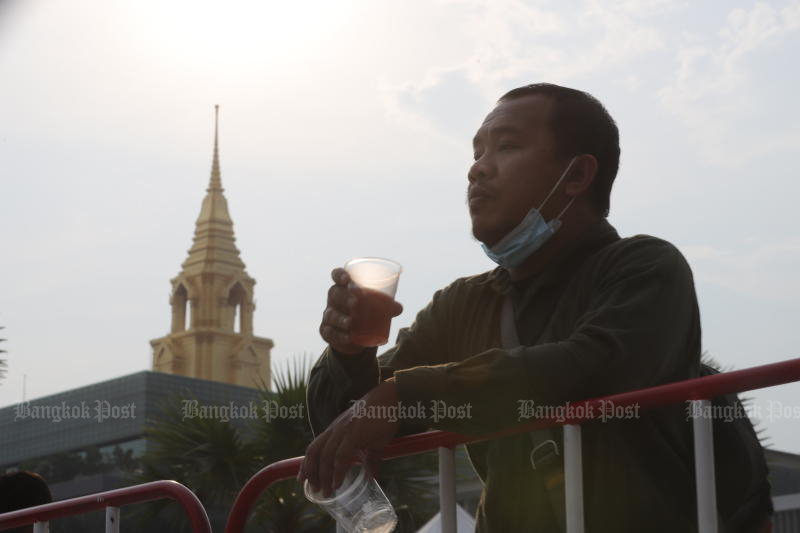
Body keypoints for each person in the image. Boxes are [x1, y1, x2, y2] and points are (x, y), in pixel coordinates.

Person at [298, 83, 768, 532]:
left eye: (506, 147)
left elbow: (592, 367)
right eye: (476, 151)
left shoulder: (646, 267)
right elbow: (345, 421)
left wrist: (407, 393)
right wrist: (348, 353)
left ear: (578, 175)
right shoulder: (462, 304)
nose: (477, 169)